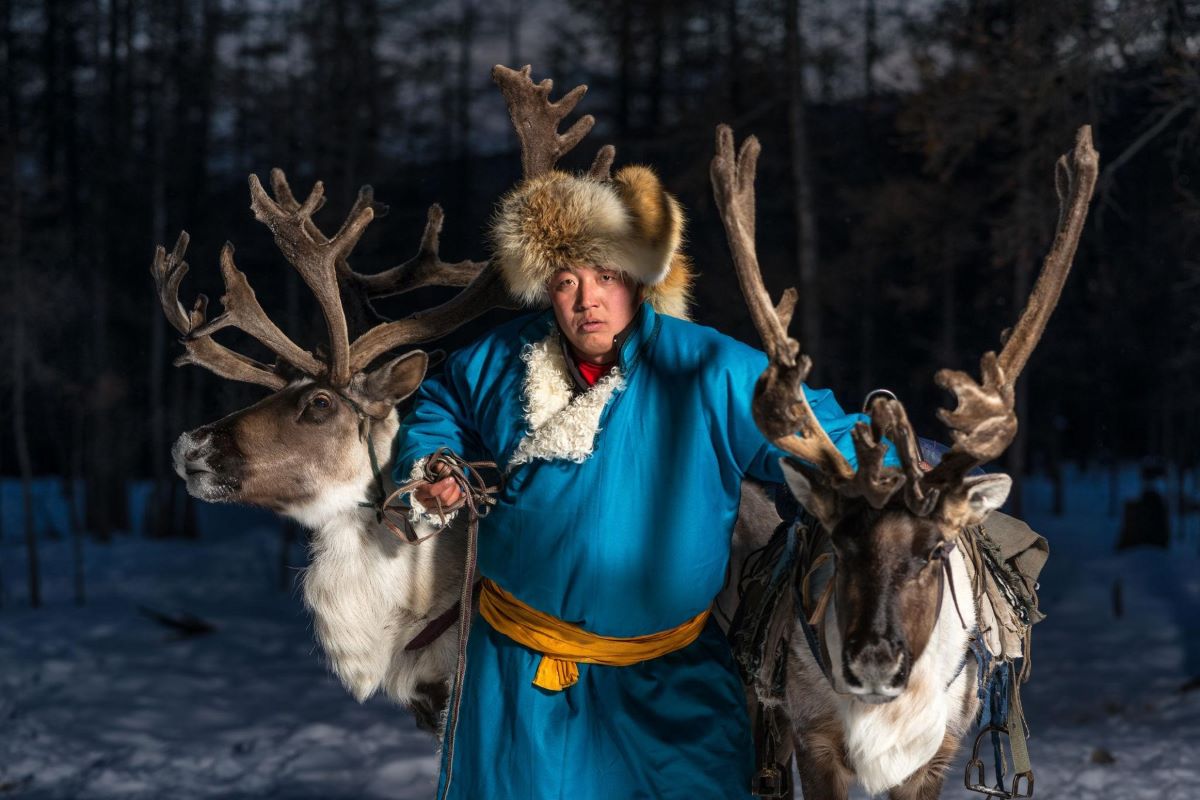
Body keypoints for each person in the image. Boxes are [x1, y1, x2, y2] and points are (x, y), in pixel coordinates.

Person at [394, 165, 892, 799]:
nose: (586, 300)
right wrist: (436, 463)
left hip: (669, 680)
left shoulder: (708, 367)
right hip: (519, 678)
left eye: (606, 276)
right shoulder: (499, 358)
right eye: (566, 281)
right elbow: (440, 407)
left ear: (638, 279)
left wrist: (896, 465)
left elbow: (815, 429)